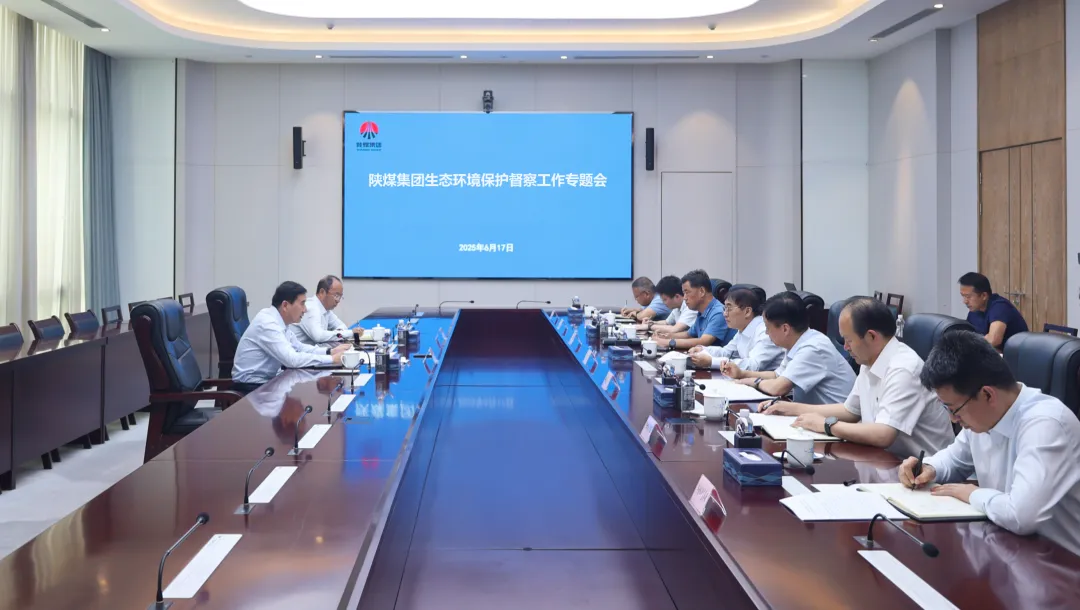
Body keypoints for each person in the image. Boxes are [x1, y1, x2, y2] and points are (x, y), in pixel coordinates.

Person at [899, 330, 1080, 556]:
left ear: (987, 394)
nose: (953, 419)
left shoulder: (1046, 424)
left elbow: (1021, 515)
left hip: (1061, 563)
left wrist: (972, 494)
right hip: (1007, 547)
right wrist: (929, 468)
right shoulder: (983, 416)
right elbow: (955, 458)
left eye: (954, 409)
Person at [765, 297, 954, 458]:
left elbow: (883, 434)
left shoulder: (903, 369)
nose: (845, 347)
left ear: (871, 336)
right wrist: (793, 409)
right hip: (884, 461)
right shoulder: (869, 360)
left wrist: (827, 425)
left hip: (923, 472)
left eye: (848, 340)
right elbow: (850, 411)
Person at [722, 291, 854, 404]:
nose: (766, 333)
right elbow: (777, 375)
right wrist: (742, 373)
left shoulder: (813, 348)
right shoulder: (797, 342)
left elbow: (778, 387)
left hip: (836, 421)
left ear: (785, 329)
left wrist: (752, 381)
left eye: (768, 328)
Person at [232, 281, 349, 390]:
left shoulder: (281, 322)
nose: (305, 310)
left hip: (268, 381)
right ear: (285, 305)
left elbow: (299, 347)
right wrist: (332, 359)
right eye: (302, 304)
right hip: (251, 387)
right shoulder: (267, 323)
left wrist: (330, 352)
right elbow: (292, 360)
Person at [688, 286, 782, 373]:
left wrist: (712, 361)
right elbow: (726, 352)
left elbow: (754, 366)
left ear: (747, 311)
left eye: (729, 308)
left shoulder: (765, 332)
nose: (725, 314)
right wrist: (702, 349)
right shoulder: (743, 328)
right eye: (725, 308)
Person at [655, 270, 734, 350]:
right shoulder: (701, 312)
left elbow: (704, 341)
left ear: (702, 291)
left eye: (687, 292)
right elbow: (688, 334)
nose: (684, 298)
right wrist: (667, 336)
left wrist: (669, 342)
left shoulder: (718, 312)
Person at [958, 272, 1028, 350]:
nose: (965, 301)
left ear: (984, 295)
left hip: (1016, 355)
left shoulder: (1000, 307)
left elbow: (994, 340)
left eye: (968, 296)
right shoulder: (974, 310)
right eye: (963, 296)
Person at [289, 275, 353, 346]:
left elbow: (343, 326)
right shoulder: (311, 308)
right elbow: (319, 336)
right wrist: (349, 333)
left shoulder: (326, 310)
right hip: (297, 351)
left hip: (311, 350)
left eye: (340, 297)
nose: (338, 301)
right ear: (322, 292)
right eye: (336, 295)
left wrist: (338, 333)